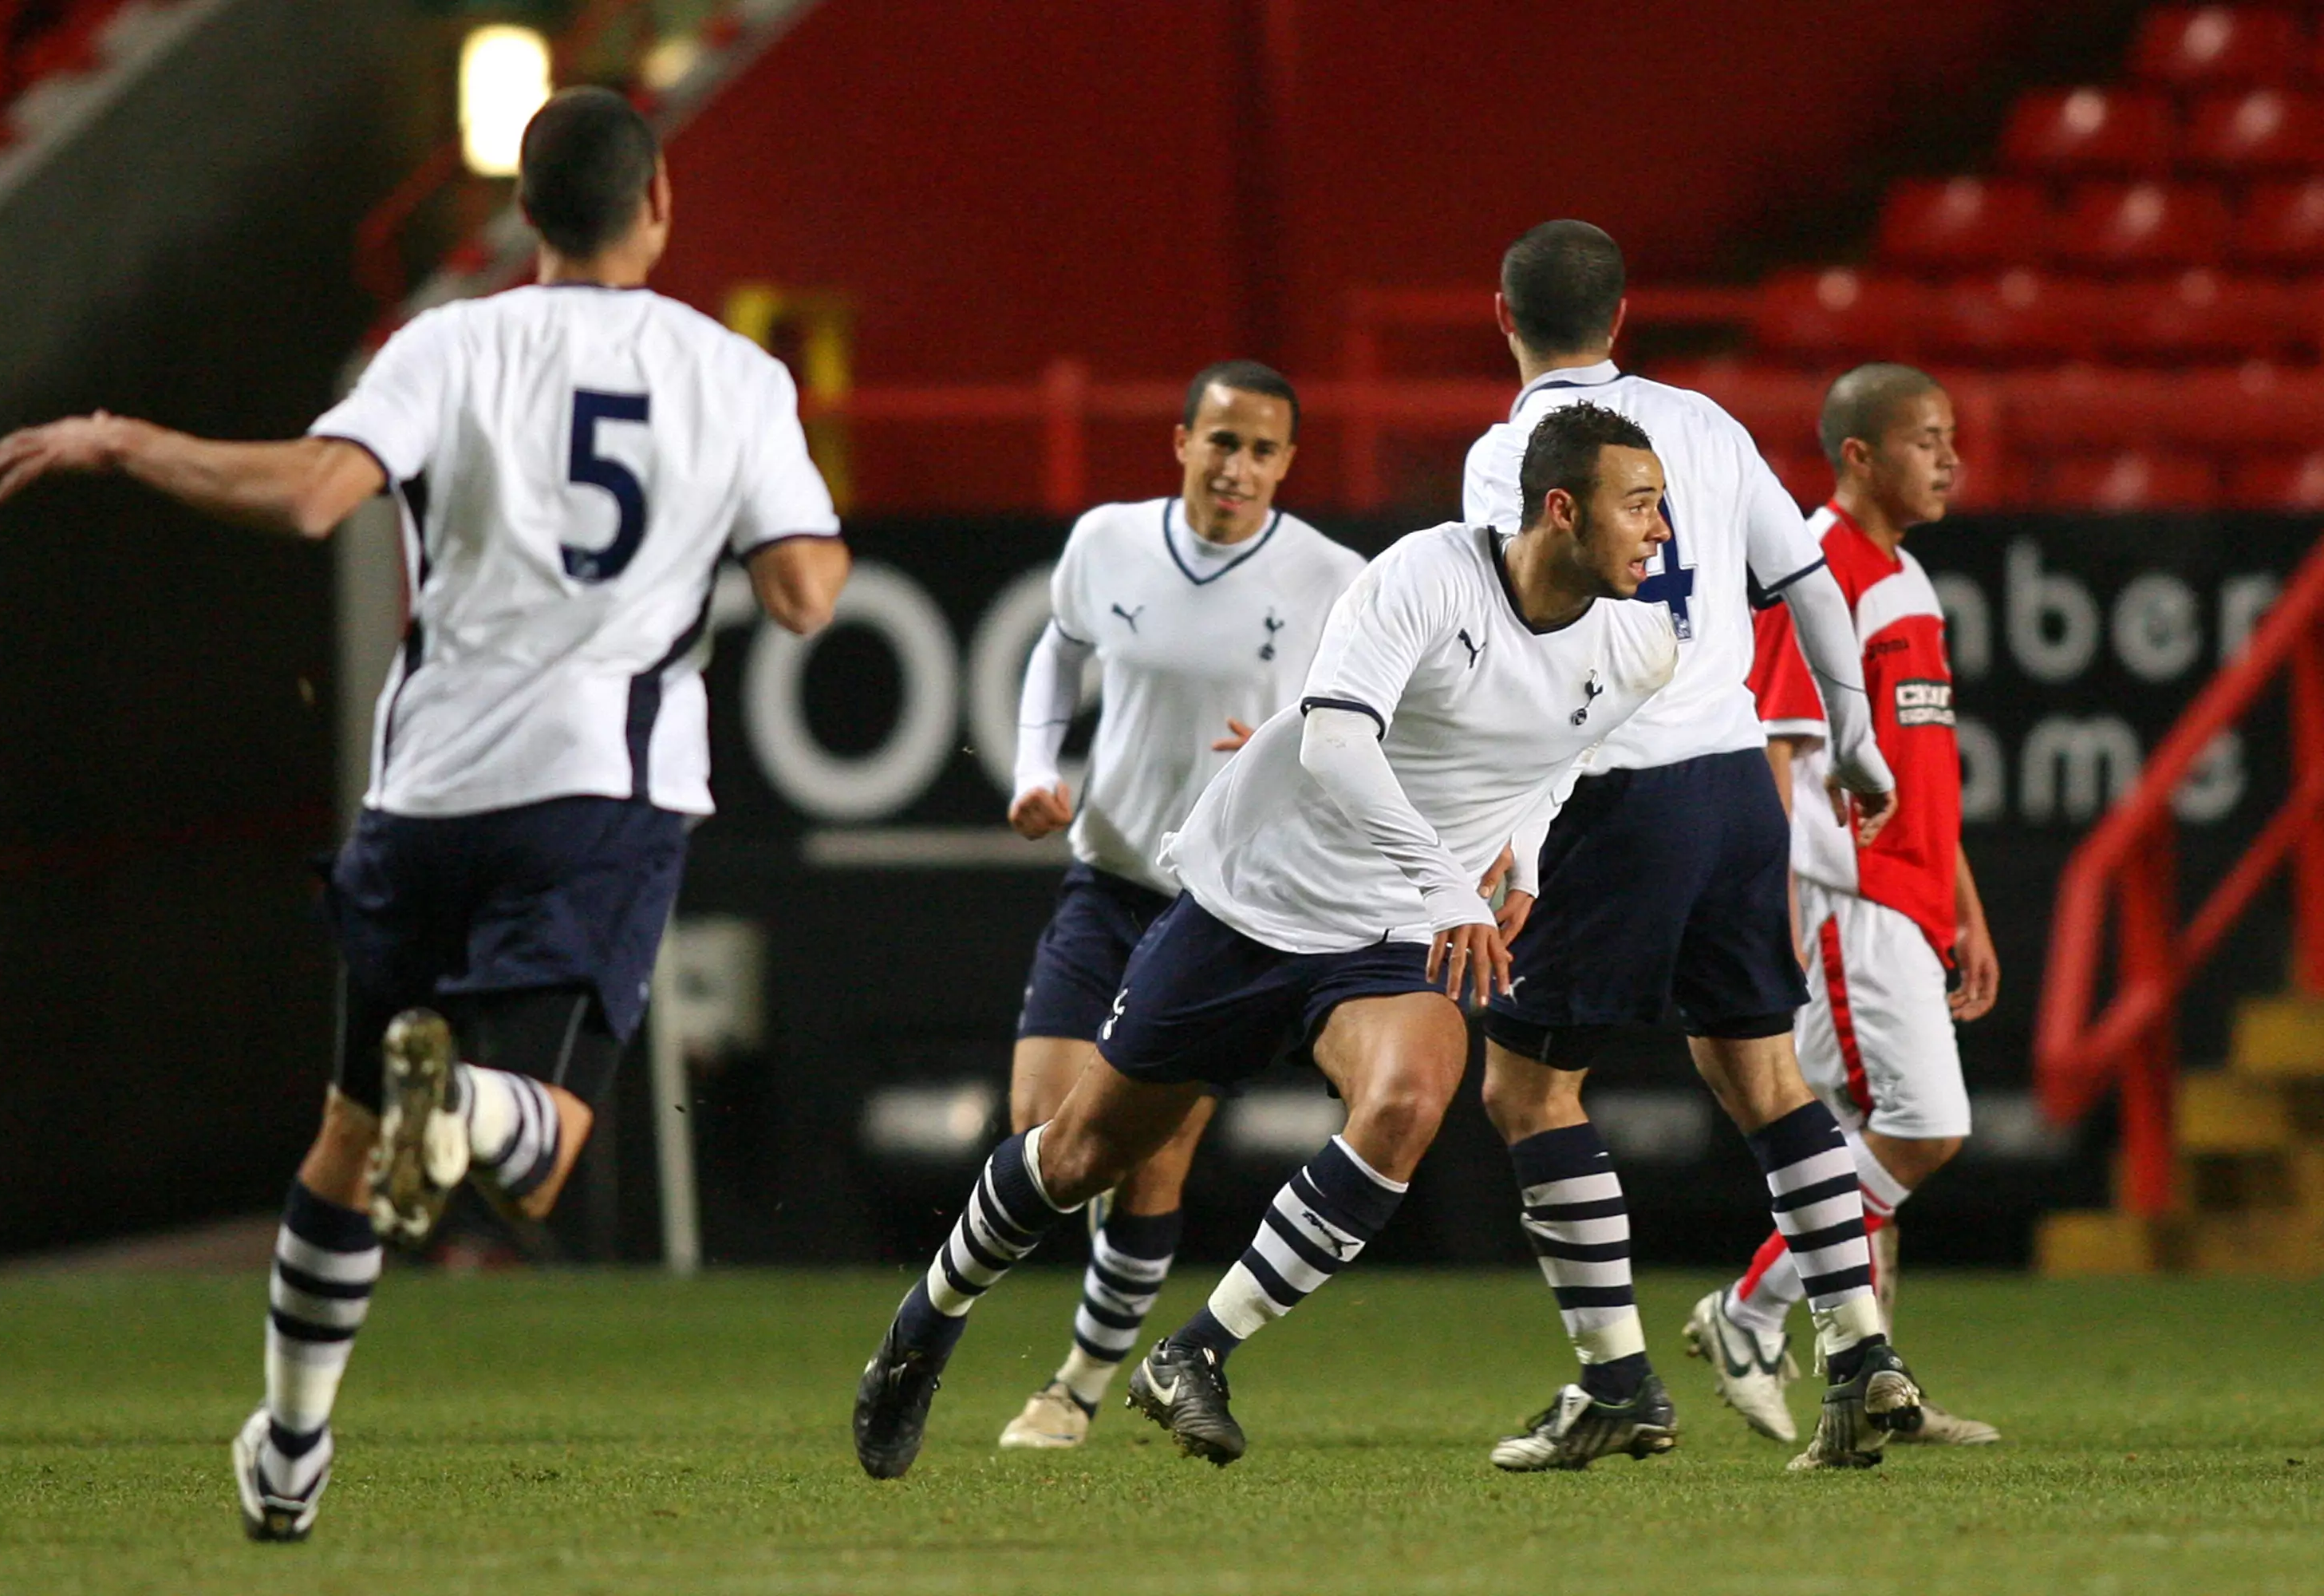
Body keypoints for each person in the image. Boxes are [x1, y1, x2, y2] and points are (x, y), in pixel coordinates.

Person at [0, 87, 850, 1540]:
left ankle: (293, 1449)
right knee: (543, 1142)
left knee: (343, 1127)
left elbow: (317, 498)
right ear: (660, 206)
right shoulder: (732, 377)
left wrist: (131, 441)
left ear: (524, 210)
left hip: (424, 793)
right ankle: (466, 1114)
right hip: (598, 788)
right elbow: (808, 593)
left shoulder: (447, 342)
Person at [853, 401, 1682, 1480]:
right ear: (1562, 511)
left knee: (1410, 1099)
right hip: (1259, 896)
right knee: (1078, 1153)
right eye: (1642, 505)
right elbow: (1337, 744)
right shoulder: (1422, 576)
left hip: (1391, 931)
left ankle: (1195, 1353)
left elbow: (1561, 747)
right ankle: (925, 1326)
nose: (1661, 531)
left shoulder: (1643, 642)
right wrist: (1453, 887)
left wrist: (1515, 855)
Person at [1459, 221, 1924, 1472]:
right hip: (1734, 788)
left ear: (1502, 313)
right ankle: (1865, 1350)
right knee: (1765, 1081)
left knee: (1527, 1088)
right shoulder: (1706, 424)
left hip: (1616, 794)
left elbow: (1521, 646)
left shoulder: (1508, 454)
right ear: (1625, 311)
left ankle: (1617, 1382)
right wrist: (1855, 736)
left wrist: (1507, 843)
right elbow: (1810, 580)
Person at [997, 361, 1364, 1450]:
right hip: (1108, 879)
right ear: (1181, 442)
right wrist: (1032, 763)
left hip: (1223, 905)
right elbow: (1057, 652)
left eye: (1262, 450)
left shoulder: (1332, 578)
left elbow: (1367, 718)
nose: (1238, 467)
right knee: (1043, 1133)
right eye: (1222, 442)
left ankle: (1075, 1387)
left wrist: (1296, 755)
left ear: (1289, 464)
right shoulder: (1106, 541)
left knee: (1151, 1154)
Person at [1684, 363, 2001, 1448]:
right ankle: (1749, 1309)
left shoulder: (1904, 576)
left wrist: (1962, 906)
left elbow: (1921, 761)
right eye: (1925, 437)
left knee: (1868, 1143)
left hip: (1908, 897)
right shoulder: (1813, 571)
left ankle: (1872, 1394)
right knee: (1921, 1131)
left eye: (1951, 435)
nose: (1949, 456)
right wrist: (1765, 916)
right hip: (1843, 896)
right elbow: (1776, 753)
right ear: (1858, 454)